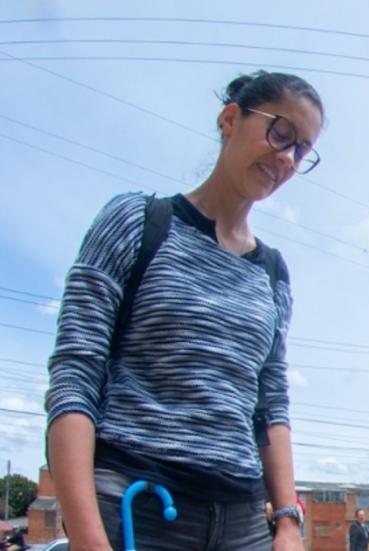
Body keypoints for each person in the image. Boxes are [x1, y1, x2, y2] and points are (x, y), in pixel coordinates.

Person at [44, 70, 324, 551]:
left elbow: (270, 403)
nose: (286, 157)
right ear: (231, 118)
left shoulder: (273, 273)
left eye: (301, 150)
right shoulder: (137, 222)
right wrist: (88, 537)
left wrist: (286, 522)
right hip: (138, 508)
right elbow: (75, 375)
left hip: (242, 520)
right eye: (281, 133)